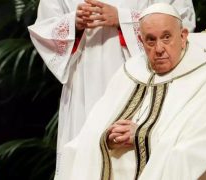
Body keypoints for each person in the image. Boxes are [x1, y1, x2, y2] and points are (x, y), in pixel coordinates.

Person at [55, 3, 206, 180]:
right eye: (150, 40)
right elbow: (98, 122)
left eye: (167, 37)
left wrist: (143, 134)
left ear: (183, 36)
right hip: (118, 159)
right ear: (140, 40)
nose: (159, 49)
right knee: (76, 149)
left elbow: (205, 136)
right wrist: (108, 135)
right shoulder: (131, 69)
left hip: (173, 160)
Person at [28, 0, 196, 172]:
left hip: (142, 75)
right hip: (84, 80)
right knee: (84, 155)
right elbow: (44, 27)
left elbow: (181, 19)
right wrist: (73, 24)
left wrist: (122, 18)